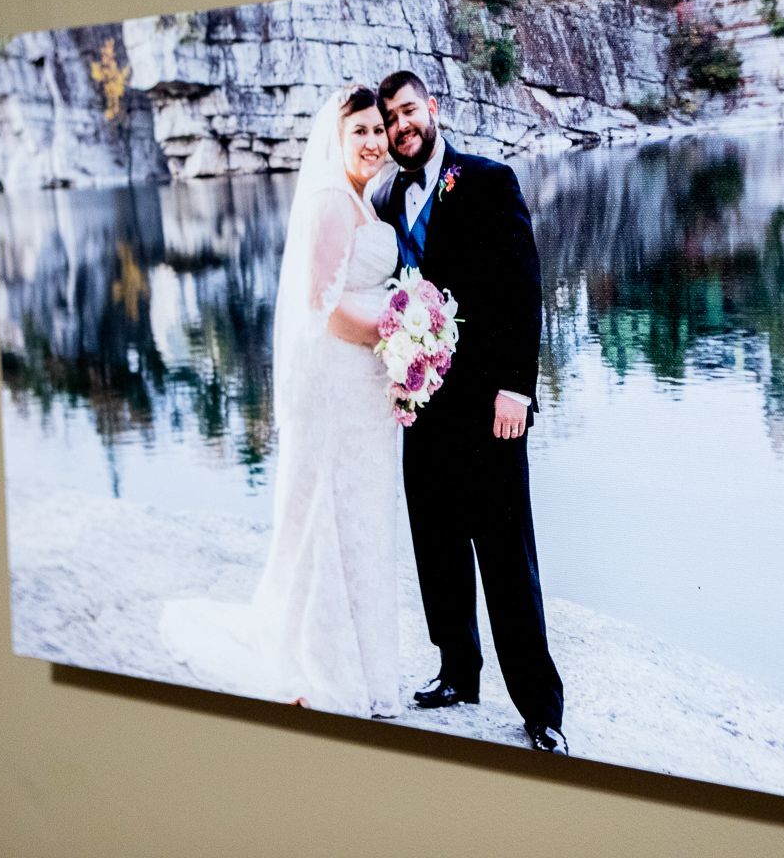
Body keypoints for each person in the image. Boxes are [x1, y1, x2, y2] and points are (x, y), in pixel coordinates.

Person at [158, 85, 404, 719]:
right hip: (341, 385)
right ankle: (323, 662)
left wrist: (405, 343)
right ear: (337, 139)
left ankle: (365, 663)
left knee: (362, 518)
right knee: (333, 512)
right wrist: (400, 339)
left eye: (379, 129)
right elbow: (323, 307)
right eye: (362, 133)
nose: (376, 141)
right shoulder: (329, 202)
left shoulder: (363, 200)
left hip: (366, 388)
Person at [370, 70, 567, 753]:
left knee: (507, 555)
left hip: (489, 405)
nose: (400, 128)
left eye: (406, 113)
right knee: (437, 543)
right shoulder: (387, 198)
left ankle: (541, 708)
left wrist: (518, 386)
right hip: (421, 403)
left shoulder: (487, 180)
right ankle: (458, 670)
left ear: (432, 108)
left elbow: (524, 287)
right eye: (389, 120)